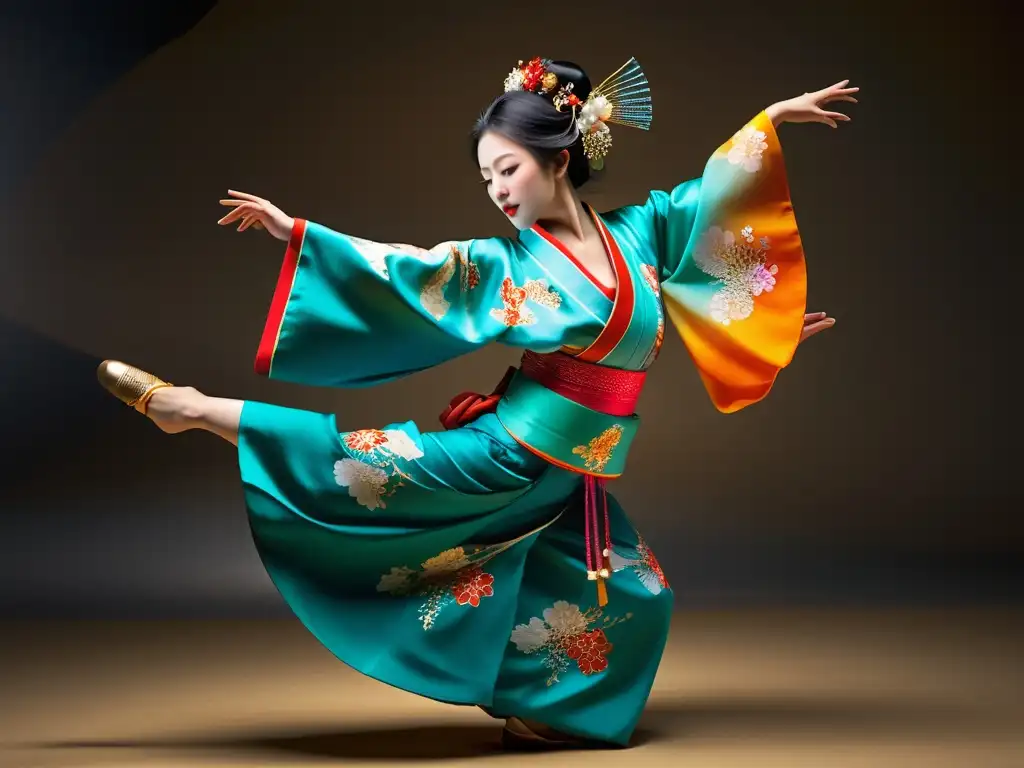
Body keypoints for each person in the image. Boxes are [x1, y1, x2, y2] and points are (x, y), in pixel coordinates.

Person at [97, 57, 855, 750]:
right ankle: (189, 407)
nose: (496, 190)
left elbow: (711, 215)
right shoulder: (502, 263)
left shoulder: (639, 230)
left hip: (574, 469)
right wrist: (295, 231)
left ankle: (540, 709)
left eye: (507, 170)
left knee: (640, 595)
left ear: (558, 159)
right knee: (360, 469)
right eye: (487, 176)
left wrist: (772, 126)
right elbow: (405, 270)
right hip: (516, 453)